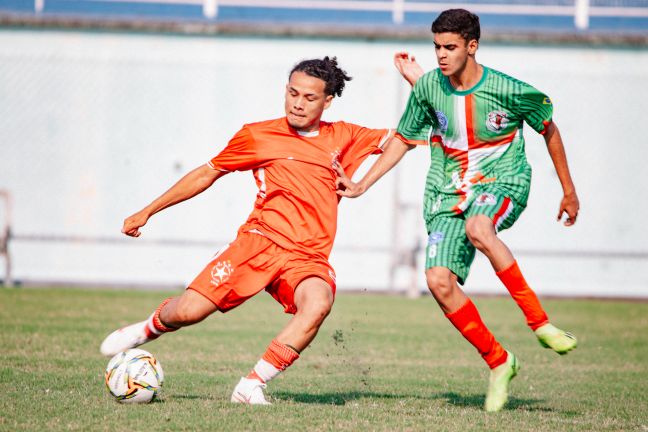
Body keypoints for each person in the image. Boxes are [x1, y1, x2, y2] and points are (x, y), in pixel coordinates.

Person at [100, 57, 394, 405]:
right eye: (292, 93)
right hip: (258, 244)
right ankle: (146, 328)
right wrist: (148, 211)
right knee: (188, 312)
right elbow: (206, 173)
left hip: (307, 257)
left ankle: (251, 385)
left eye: (309, 98)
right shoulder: (258, 135)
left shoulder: (344, 136)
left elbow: (402, 138)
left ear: (327, 100)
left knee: (317, 304)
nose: (298, 103)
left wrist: (362, 184)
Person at [335, 9, 580, 412]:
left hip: (502, 180)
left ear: (472, 46)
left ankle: (540, 324)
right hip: (448, 192)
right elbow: (402, 138)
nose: (441, 55)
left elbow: (549, 128)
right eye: (436, 47)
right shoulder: (429, 86)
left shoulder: (508, 89)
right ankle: (500, 362)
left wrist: (568, 191)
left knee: (480, 229)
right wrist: (361, 183)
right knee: (437, 281)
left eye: (450, 47)